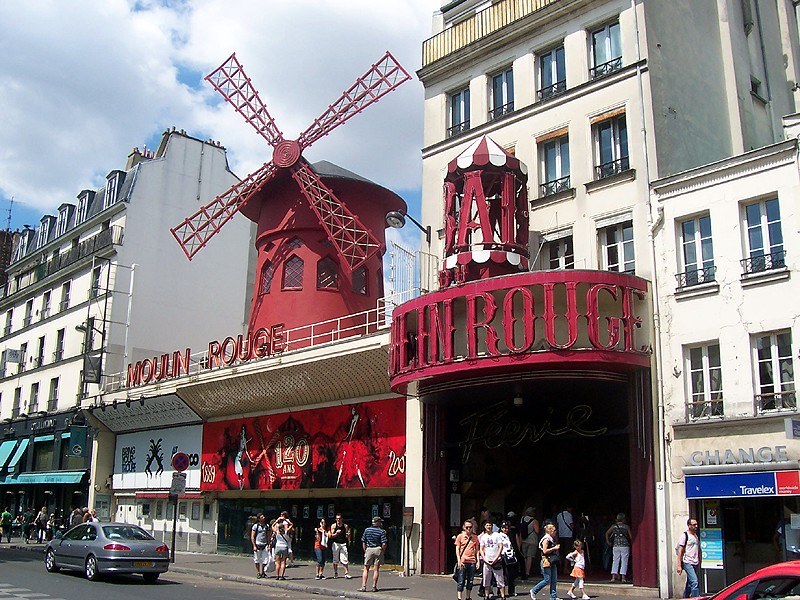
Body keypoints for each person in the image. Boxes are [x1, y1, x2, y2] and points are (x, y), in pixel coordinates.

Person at [530, 522, 560, 600]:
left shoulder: (551, 539)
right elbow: (545, 551)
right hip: (546, 560)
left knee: (554, 579)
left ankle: (553, 596)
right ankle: (534, 590)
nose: (555, 532)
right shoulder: (546, 539)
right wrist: (554, 548)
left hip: (552, 561)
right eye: (554, 530)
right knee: (547, 579)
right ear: (550, 531)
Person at [479, 520, 507, 600]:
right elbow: (481, 548)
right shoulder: (483, 537)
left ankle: (503, 596)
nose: (489, 527)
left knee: (500, 579)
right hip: (487, 560)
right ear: (485, 526)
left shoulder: (497, 535)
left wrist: (497, 557)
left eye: (490, 525)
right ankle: (486, 595)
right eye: (487, 525)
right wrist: (484, 558)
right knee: (486, 579)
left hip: (496, 560)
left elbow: (500, 546)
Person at [360, 516, 388, 592]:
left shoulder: (367, 530)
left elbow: (363, 541)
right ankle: (374, 587)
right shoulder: (381, 531)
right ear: (377, 523)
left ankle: (363, 586)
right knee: (376, 569)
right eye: (380, 522)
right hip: (378, 549)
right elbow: (384, 543)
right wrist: (382, 550)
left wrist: (365, 550)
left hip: (369, 549)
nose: (381, 523)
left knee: (366, 568)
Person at [454, 520, 480, 600]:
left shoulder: (475, 537)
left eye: (470, 527)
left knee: (470, 581)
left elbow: (477, 550)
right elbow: (457, 549)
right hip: (463, 562)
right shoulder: (460, 536)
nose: (468, 529)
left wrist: (478, 561)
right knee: (461, 581)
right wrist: (459, 560)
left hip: (472, 561)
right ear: (464, 527)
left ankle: (468, 597)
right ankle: (459, 597)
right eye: (467, 527)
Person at [676, 518, 701, 598]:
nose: (696, 526)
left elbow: (698, 550)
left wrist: (699, 560)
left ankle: (685, 597)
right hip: (687, 562)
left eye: (696, 524)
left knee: (690, 584)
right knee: (694, 582)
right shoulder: (684, 536)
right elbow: (680, 551)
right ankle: (696, 598)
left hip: (695, 562)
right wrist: (679, 565)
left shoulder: (695, 536)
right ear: (689, 526)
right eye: (694, 525)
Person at [604, 512, 632, 583]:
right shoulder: (626, 527)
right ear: (624, 519)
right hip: (625, 545)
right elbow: (631, 537)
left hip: (616, 545)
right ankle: (623, 578)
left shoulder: (614, 526)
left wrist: (608, 541)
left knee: (615, 560)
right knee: (624, 561)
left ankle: (613, 577)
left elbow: (607, 533)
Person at [520, 507, 541, 580]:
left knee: (524, 556)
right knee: (530, 556)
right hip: (532, 540)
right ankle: (527, 572)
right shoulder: (534, 521)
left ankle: (522, 570)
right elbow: (537, 531)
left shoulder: (522, 519)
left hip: (523, 540)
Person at [500, 520, 519, 597]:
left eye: (507, 528)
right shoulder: (498, 536)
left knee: (511, 574)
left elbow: (515, 544)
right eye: (504, 528)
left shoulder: (511, 535)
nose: (506, 529)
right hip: (502, 556)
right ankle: (500, 591)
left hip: (510, 556)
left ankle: (511, 591)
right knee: (501, 575)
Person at [330, 513, 352, 579]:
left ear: (341, 519)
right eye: (337, 519)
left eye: (339, 518)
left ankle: (346, 573)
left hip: (343, 543)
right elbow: (331, 536)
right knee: (335, 559)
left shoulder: (345, 526)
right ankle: (335, 572)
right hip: (336, 544)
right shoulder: (334, 526)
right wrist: (336, 533)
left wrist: (348, 536)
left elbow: (347, 535)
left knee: (344, 558)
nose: (338, 520)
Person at [272, 516, 292, 580]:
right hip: (284, 547)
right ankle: (282, 576)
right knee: (283, 562)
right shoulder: (286, 531)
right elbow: (291, 524)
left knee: (277, 562)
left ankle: (277, 576)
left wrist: (277, 520)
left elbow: (272, 526)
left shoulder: (277, 532)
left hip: (278, 546)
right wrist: (285, 519)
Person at [251, 513, 270, 578]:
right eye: (262, 517)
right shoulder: (255, 526)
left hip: (264, 544)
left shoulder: (266, 526)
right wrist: (254, 545)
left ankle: (263, 572)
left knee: (265, 559)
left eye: (263, 516)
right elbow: (252, 536)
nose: (263, 518)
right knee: (257, 559)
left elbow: (268, 536)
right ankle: (258, 572)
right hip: (257, 544)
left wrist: (269, 545)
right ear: (259, 519)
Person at [556, 506, 574, 572]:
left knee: (561, 552)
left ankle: (560, 567)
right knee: (567, 552)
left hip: (561, 535)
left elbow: (557, 525)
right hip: (568, 535)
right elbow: (571, 525)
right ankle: (565, 568)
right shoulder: (569, 515)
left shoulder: (559, 515)